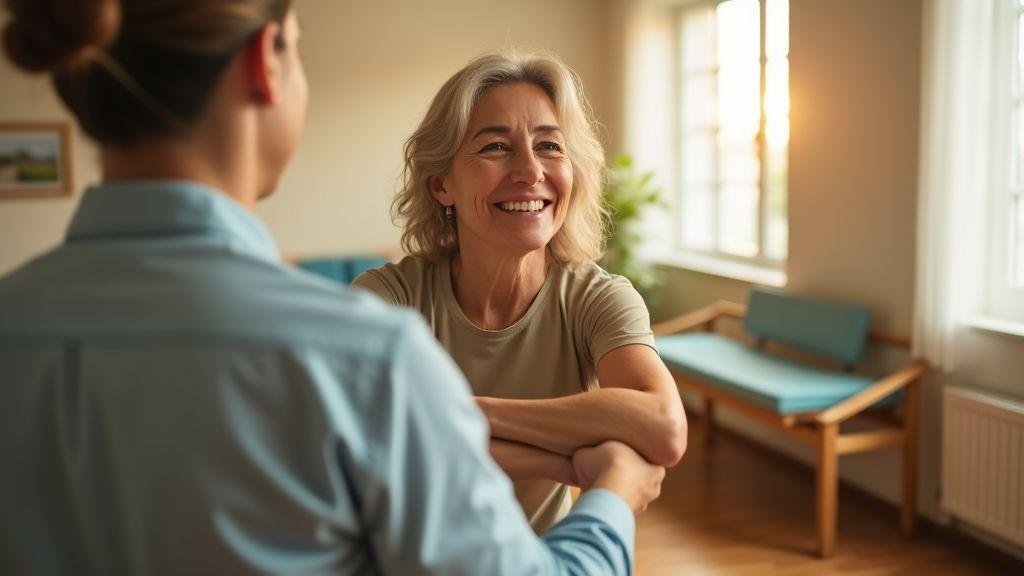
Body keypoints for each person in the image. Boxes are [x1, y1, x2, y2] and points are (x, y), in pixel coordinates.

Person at [0, 1, 664, 574]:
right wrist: (614, 492)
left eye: (549, 148)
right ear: (268, 60)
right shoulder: (366, 358)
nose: (528, 169)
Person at [353, 51, 687, 531]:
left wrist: (460, 409)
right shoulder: (388, 297)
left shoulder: (598, 298)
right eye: (495, 148)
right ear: (441, 184)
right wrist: (561, 461)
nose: (530, 171)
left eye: (550, 146)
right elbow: (364, 440)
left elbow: (663, 426)